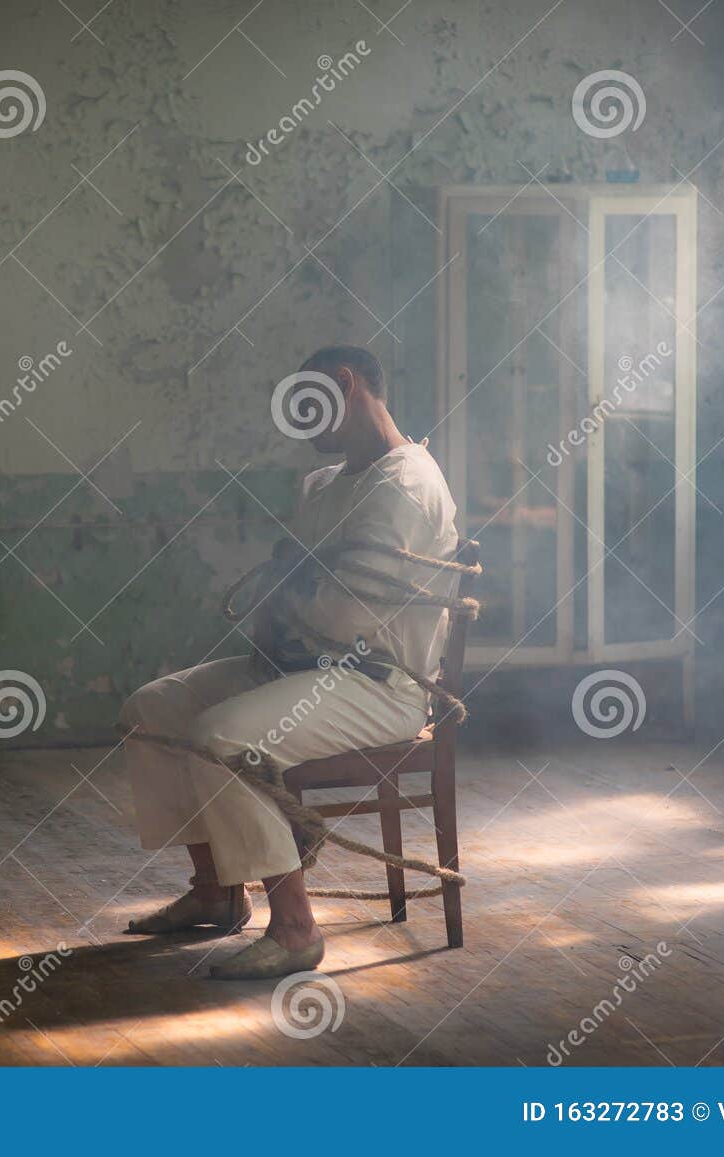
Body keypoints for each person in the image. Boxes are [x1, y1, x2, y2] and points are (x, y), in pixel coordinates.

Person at [119, 345, 461, 979]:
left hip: (375, 686)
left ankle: (297, 927)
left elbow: (353, 615)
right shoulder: (324, 484)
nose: (300, 428)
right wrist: (284, 608)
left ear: (345, 384)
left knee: (217, 739)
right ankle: (218, 891)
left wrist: (290, 601)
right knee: (152, 708)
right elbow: (299, 591)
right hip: (301, 667)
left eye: (308, 409)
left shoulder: (408, 483)